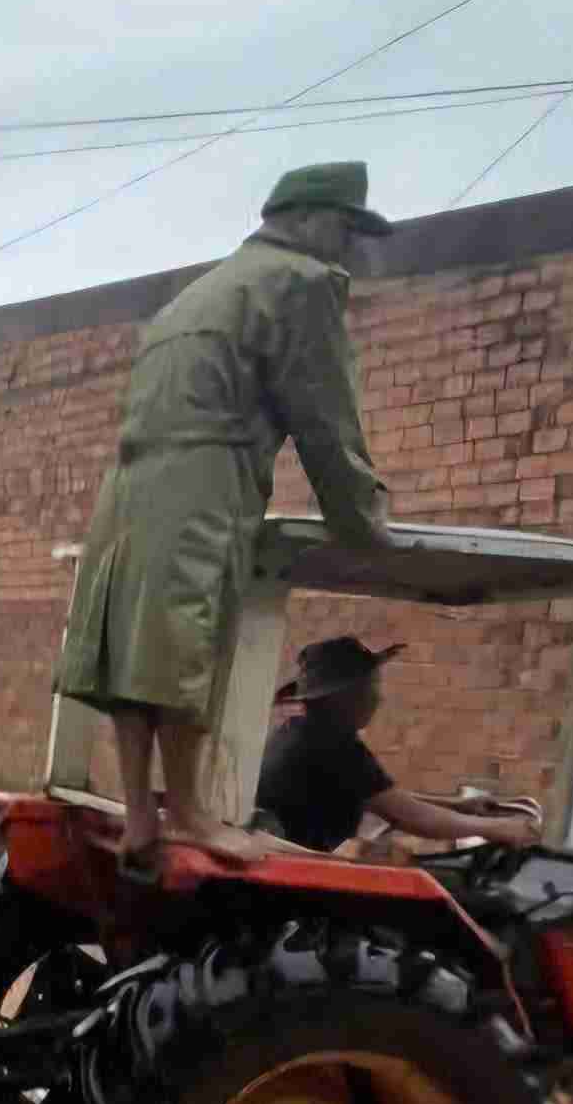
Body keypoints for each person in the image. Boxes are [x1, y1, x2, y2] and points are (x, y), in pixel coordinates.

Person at [56, 162, 397, 872]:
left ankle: (146, 814)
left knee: (132, 647)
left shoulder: (197, 294)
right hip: (205, 478)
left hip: (129, 484)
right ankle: (188, 812)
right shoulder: (298, 283)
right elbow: (324, 412)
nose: (348, 249)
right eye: (345, 228)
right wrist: (365, 523)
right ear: (307, 219)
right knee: (189, 644)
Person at [253, 638, 540, 855]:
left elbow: (376, 796)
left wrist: (459, 806)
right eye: (371, 688)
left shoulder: (301, 733)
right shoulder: (333, 748)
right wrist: (497, 829)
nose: (378, 699)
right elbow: (407, 815)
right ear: (342, 696)